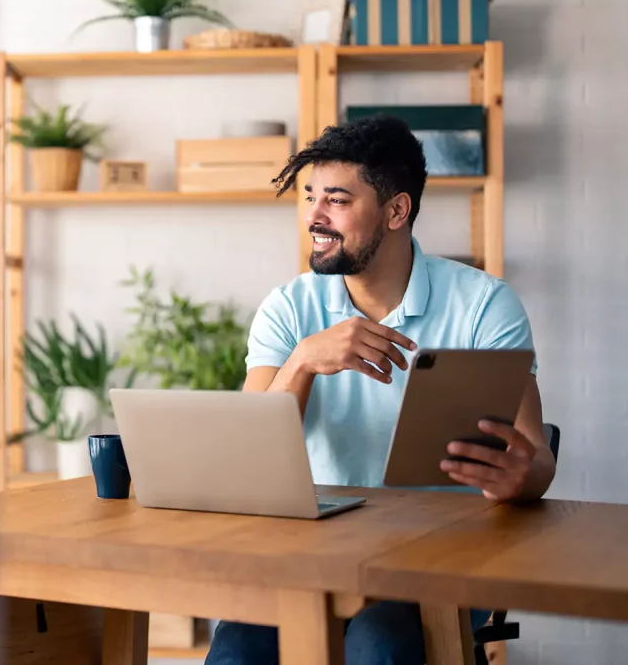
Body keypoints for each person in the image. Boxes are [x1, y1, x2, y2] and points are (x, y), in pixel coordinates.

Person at [204, 116, 556, 665]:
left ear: (397, 211)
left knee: (379, 640)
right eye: (309, 197)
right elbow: (248, 461)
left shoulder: (485, 305)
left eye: (337, 201)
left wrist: (521, 477)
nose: (315, 218)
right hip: (315, 557)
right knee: (238, 644)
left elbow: (537, 459)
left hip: (441, 560)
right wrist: (302, 362)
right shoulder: (288, 308)